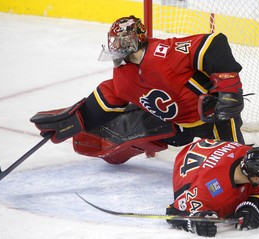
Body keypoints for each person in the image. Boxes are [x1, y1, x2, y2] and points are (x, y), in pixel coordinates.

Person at [30, 15, 245, 164]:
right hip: (178, 127)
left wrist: (228, 88)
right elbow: (106, 99)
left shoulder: (164, 52)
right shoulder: (123, 76)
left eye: (121, 40)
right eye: (113, 41)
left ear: (135, 39)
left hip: (214, 117)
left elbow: (213, 43)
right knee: (129, 123)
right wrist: (73, 121)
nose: (115, 46)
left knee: (234, 163)